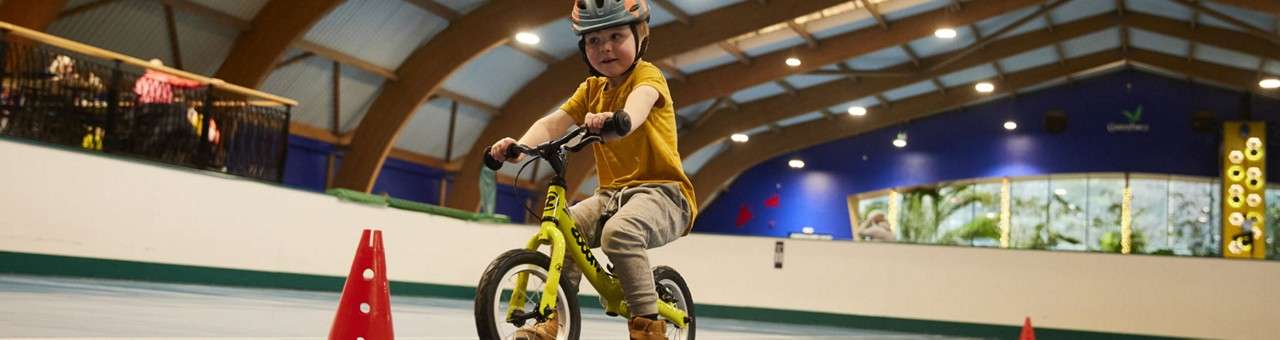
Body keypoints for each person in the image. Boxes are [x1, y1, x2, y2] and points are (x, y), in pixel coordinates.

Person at [487, 1, 694, 339]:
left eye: (616, 36)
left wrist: (616, 119)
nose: (606, 47)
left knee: (620, 234)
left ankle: (647, 327)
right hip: (610, 196)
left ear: (640, 36)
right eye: (594, 41)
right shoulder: (591, 90)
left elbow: (638, 106)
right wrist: (518, 147)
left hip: (664, 193)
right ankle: (553, 321)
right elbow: (553, 122)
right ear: (584, 48)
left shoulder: (647, 76)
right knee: (566, 229)